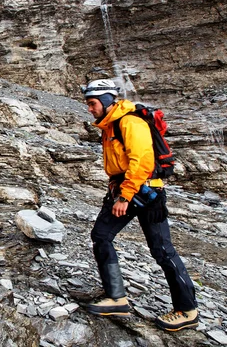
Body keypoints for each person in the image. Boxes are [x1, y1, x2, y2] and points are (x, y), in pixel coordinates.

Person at [82, 78, 198, 331]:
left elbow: (142, 161)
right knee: (101, 235)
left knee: (162, 251)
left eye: (92, 104)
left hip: (144, 193)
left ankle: (187, 310)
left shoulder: (129, 122)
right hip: (125, 189)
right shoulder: (111, 125)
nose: (89, 109)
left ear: (104, 101)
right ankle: (116, 297)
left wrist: (124, 197)